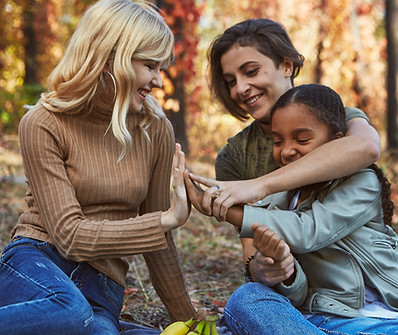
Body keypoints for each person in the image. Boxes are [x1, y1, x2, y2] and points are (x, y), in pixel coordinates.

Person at [0, 1, 196, 334]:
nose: (158, 81)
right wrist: (165, 219)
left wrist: (189, 321)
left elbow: (159, 243)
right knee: (71, 314)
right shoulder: (43, 122)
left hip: (102, 287)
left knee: (91, 325)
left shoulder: (155, 129)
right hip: (39, 262)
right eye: (150, 65)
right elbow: (69, 236)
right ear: (110, 57)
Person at [186, 83, 398, 334]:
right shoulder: (280, 198)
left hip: (380, 322)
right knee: (246, 298)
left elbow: (309, 231)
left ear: (336, 142)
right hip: (314, 322)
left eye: (302, 139)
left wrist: (220, 209)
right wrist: (284, 270)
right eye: (278, 141)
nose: (286, 151)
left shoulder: (361, 181)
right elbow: (299, 296)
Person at [188, 18, 381, 289]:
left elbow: (366, 147)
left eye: (251, 71)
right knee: (248, 298)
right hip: (297, 291)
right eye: (231, 81)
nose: (240, 89)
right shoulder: (234, 157)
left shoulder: (332, 115)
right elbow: (251, 255)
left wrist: (258, 187)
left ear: (287, 65)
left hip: (359, 286)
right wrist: (267, 268)